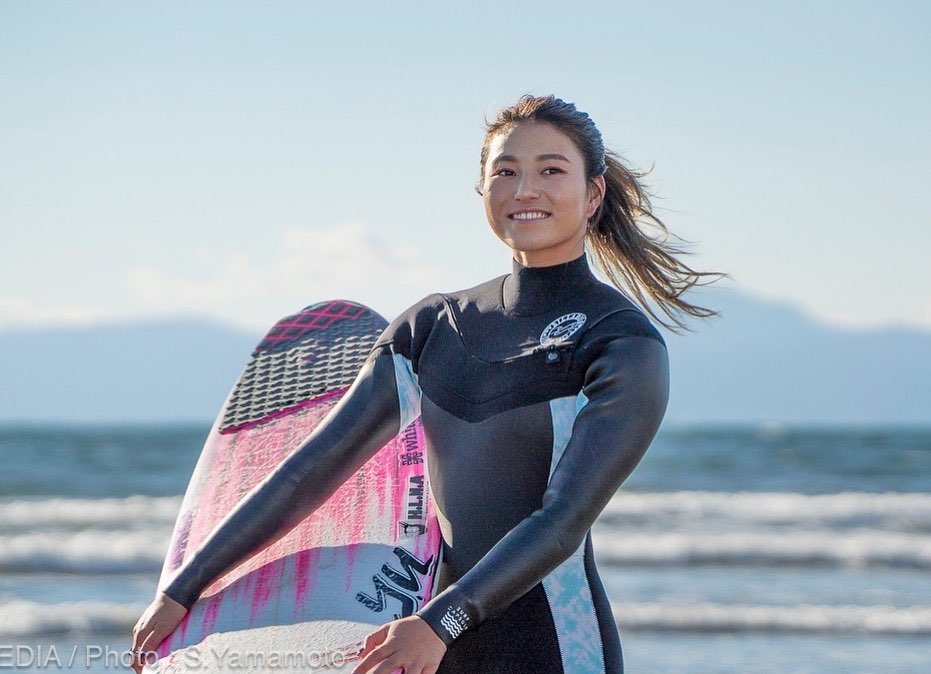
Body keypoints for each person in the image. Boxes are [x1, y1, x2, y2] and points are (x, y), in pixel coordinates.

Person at [131, 94, 723, 674]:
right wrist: (185, 586)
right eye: (506, 172)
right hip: (424, 647)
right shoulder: (432, 328)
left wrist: (443, 621)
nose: (525, 190)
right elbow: (311, 470)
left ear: (592, 193)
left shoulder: (619, 342)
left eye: (551, 170)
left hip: (551, 648)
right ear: (482, 189)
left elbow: (561, 522)